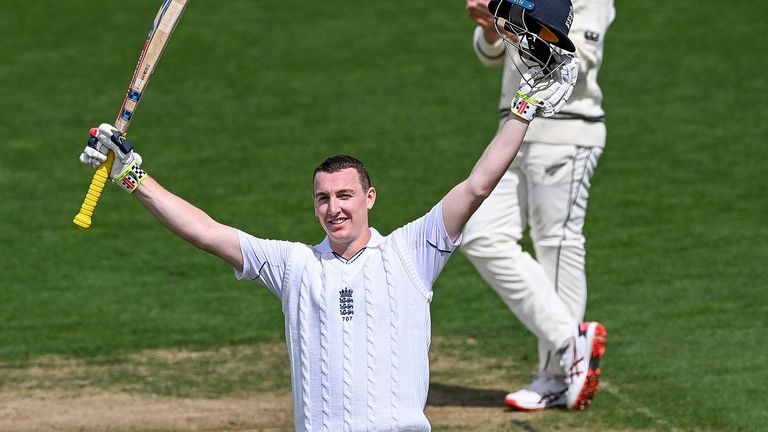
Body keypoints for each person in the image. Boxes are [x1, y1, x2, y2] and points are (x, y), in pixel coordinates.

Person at [78, 4, 588, 429]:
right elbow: (206, 232)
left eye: (345, 196)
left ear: (370, 198)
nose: (334, 208)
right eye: (323, 199)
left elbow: (477, 186)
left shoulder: (412, 252)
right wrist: (131, 176)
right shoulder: (296, 267)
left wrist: (523, 109)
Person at [463, 0, 615, 411]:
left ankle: (554, 376)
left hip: (566, 132)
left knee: (557, 244)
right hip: (513, 127)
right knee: (480, 235)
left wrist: (515, 23)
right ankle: (571, 345)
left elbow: (575, 62)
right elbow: (490, 54)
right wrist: (492, 25)